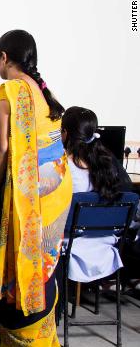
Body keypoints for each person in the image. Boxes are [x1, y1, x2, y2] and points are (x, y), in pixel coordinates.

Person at [0, 29, 72, 347]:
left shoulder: (10, 92)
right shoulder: (41, 90)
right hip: (57, 187)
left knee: (24, 266)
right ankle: (39, 339)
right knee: (44, 265)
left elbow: (1, 150)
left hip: (32, 193)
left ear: (4, 57)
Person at [61, 106, 132, 284]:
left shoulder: (62, 167)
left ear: (64, 133)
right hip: (105, 242)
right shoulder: (108, 163)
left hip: (73, 242)